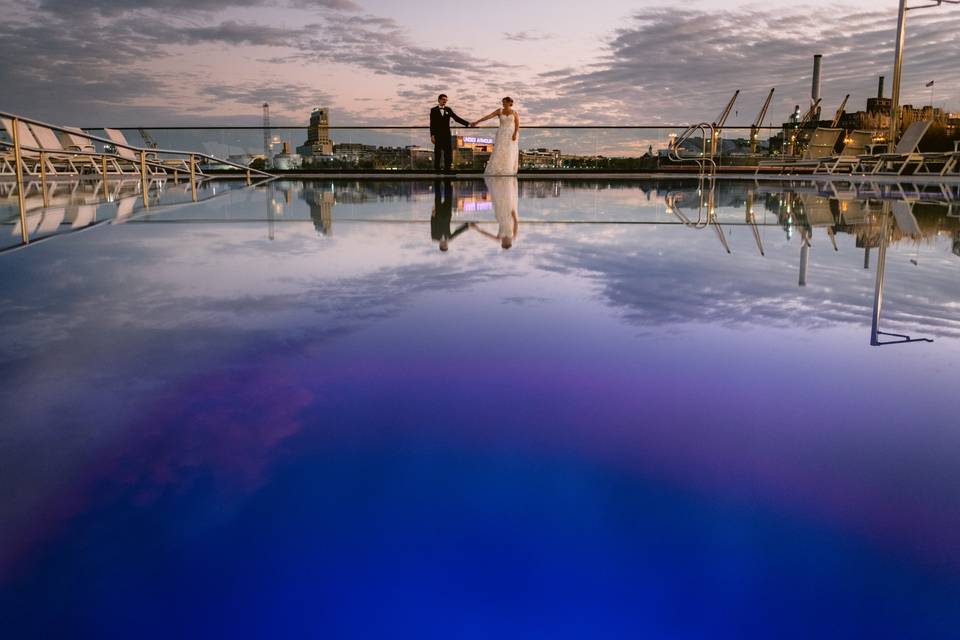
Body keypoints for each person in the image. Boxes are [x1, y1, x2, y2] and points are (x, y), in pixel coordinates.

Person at [470, 97, 520, 176]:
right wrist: (477, 122)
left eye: (504, 102)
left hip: (511, 134)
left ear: (509, 103)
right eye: (502, 102)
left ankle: (508, 169)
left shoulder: (514, 112)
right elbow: (488, 116)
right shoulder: (499, 111)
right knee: (499, 150)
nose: (503, 104)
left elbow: (517, 124)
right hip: (501, 133)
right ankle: (498, 169)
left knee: (510, 151)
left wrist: (515, 134)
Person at [470, 176, 519, 249]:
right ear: (509, 243)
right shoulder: (513, 236)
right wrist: (514, 216)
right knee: (507, 196)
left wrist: (477, 229)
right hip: (509, 214)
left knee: (498, 197)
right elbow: (516, 225)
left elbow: (487, 234)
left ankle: (498, 180)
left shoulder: (499, 238)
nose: (503, 242)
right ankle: (505, 180)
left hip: (499, 215)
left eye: (503, 243)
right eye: (505, 243)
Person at [430, 94, 471, 173]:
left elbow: (456, 118)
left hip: (446, 134)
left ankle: (447, 169)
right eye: (443, 99)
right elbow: (432, 124)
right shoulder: (433, 110)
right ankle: (437, 170)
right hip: (437, 135)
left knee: (448, 152)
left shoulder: (448, 109)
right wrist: (432, 135)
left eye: (446, 100)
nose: (445, 101)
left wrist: (467, 124)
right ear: (439, 100)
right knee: (437, 152)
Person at [431, 179, 468, 251]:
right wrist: (467, 226)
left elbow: (432, 225)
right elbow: (458, 232)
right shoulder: (449, 238)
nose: (445, 244)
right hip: (447, 213)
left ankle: (437, 180)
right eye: (446, 245)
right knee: (448, 196)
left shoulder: (434, 237)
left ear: (440, 245)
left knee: (438, 195)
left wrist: (432, 215)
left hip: (438, 214)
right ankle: (447, 181)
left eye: (444, 245)